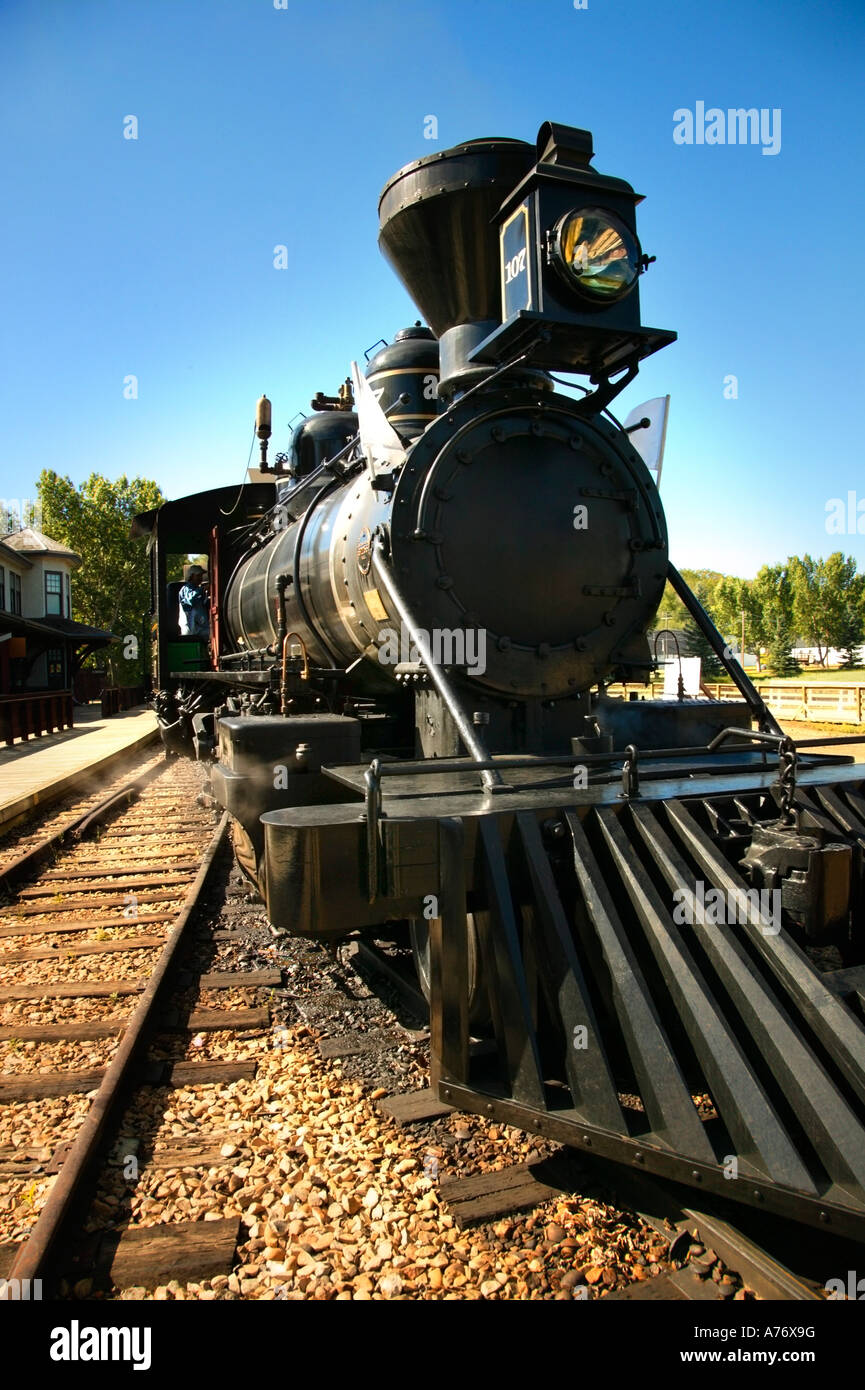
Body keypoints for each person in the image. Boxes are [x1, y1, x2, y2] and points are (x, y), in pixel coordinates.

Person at [178, 565, 210, 637]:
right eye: (198, 575)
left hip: (201, 627)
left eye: (201, 576)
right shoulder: (186, 589)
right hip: (191, 628)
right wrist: (202, 589)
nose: (200, 578)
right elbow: (190, 599)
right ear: (192, 576)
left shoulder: (198, 590)